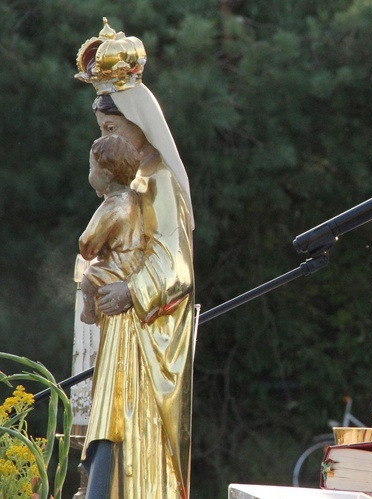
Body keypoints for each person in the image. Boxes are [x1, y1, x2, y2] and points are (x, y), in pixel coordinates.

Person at [75, 19, 196, 499]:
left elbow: (176, 260)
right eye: (102, 128)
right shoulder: (132, 183)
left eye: (111, 127)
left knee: (136, 440)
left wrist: (131, 290)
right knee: (108, 434)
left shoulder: (161, 180)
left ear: (137, 121)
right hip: (120, 333)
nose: (107, 138)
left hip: (149, 336)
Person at [79, 134, 145, 326]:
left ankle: (88, 313)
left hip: (120, 266)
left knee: (87, 281)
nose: (89, 172)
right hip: (135, 262)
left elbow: (87, 244)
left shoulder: (112, 207)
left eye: (92, 168)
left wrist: (90, 250)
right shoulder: (133, 198)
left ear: (107, 176)